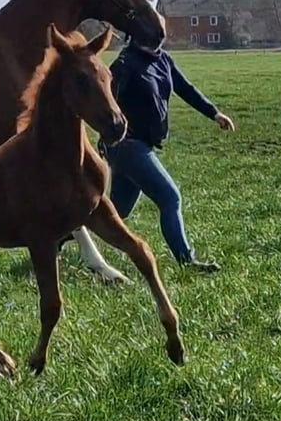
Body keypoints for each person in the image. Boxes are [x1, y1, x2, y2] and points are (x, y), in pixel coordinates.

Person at [98, 30, 235, 273]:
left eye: (161, 35)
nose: (158, 39)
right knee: (170, 197)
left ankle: (64, 235)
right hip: (128, 146)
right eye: (153, 34)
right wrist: (107, 137)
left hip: (143, 145)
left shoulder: (163, 59)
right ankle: (187, 260)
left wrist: (214, 113)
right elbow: (105, 102)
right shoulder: (124, 64)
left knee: (117, 211)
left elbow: (186, 89)